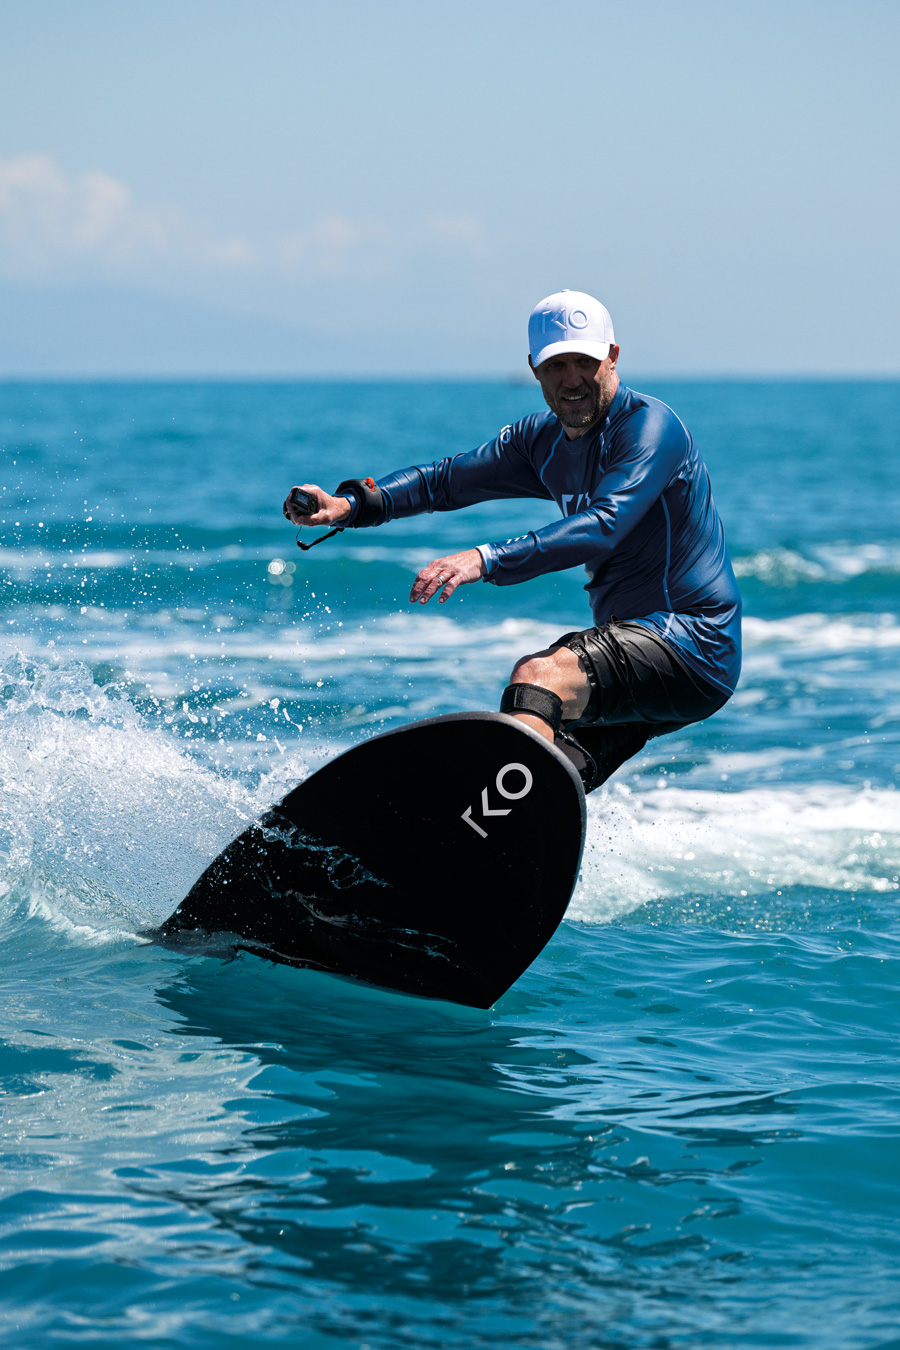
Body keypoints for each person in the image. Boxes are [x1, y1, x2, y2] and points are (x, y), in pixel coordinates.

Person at [283, 290, 741, 792]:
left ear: (612, 357)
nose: (572, 380)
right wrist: (351, 505)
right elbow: (444, 480)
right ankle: (491, 853)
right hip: (637, 648)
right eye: (555, 365)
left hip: (691, 641)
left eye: (585, 362)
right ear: (534, 369)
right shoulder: (540, 444)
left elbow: (606, 522)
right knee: (553, 761)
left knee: (539, 676)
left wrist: (486, 558)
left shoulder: (650, 429)